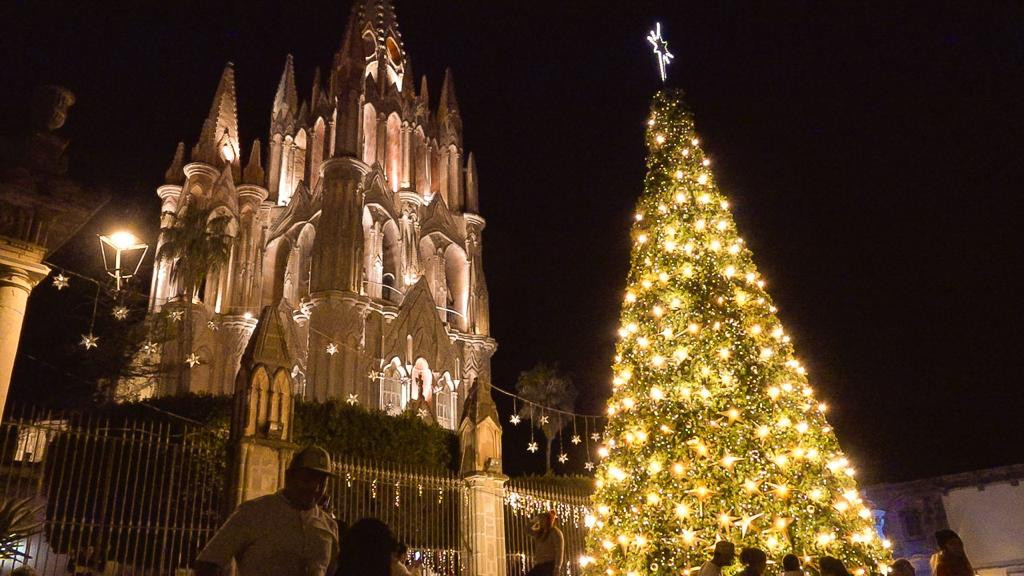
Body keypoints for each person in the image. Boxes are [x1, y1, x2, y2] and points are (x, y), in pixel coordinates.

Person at [193, 445, 340, 576]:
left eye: (322, 482)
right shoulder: (252, 513)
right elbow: (208, 563)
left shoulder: (329, 527)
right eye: (307, 480)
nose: (315, 488)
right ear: (289, 477)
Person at [527, 510, 563, 576]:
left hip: (549, 565)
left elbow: (559, 551)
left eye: (552, 517)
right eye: (548, 517)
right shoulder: (539, 533)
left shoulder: (555, 532)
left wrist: (557, 567)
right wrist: (537, 518)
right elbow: (528, 529)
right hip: (539, 564)